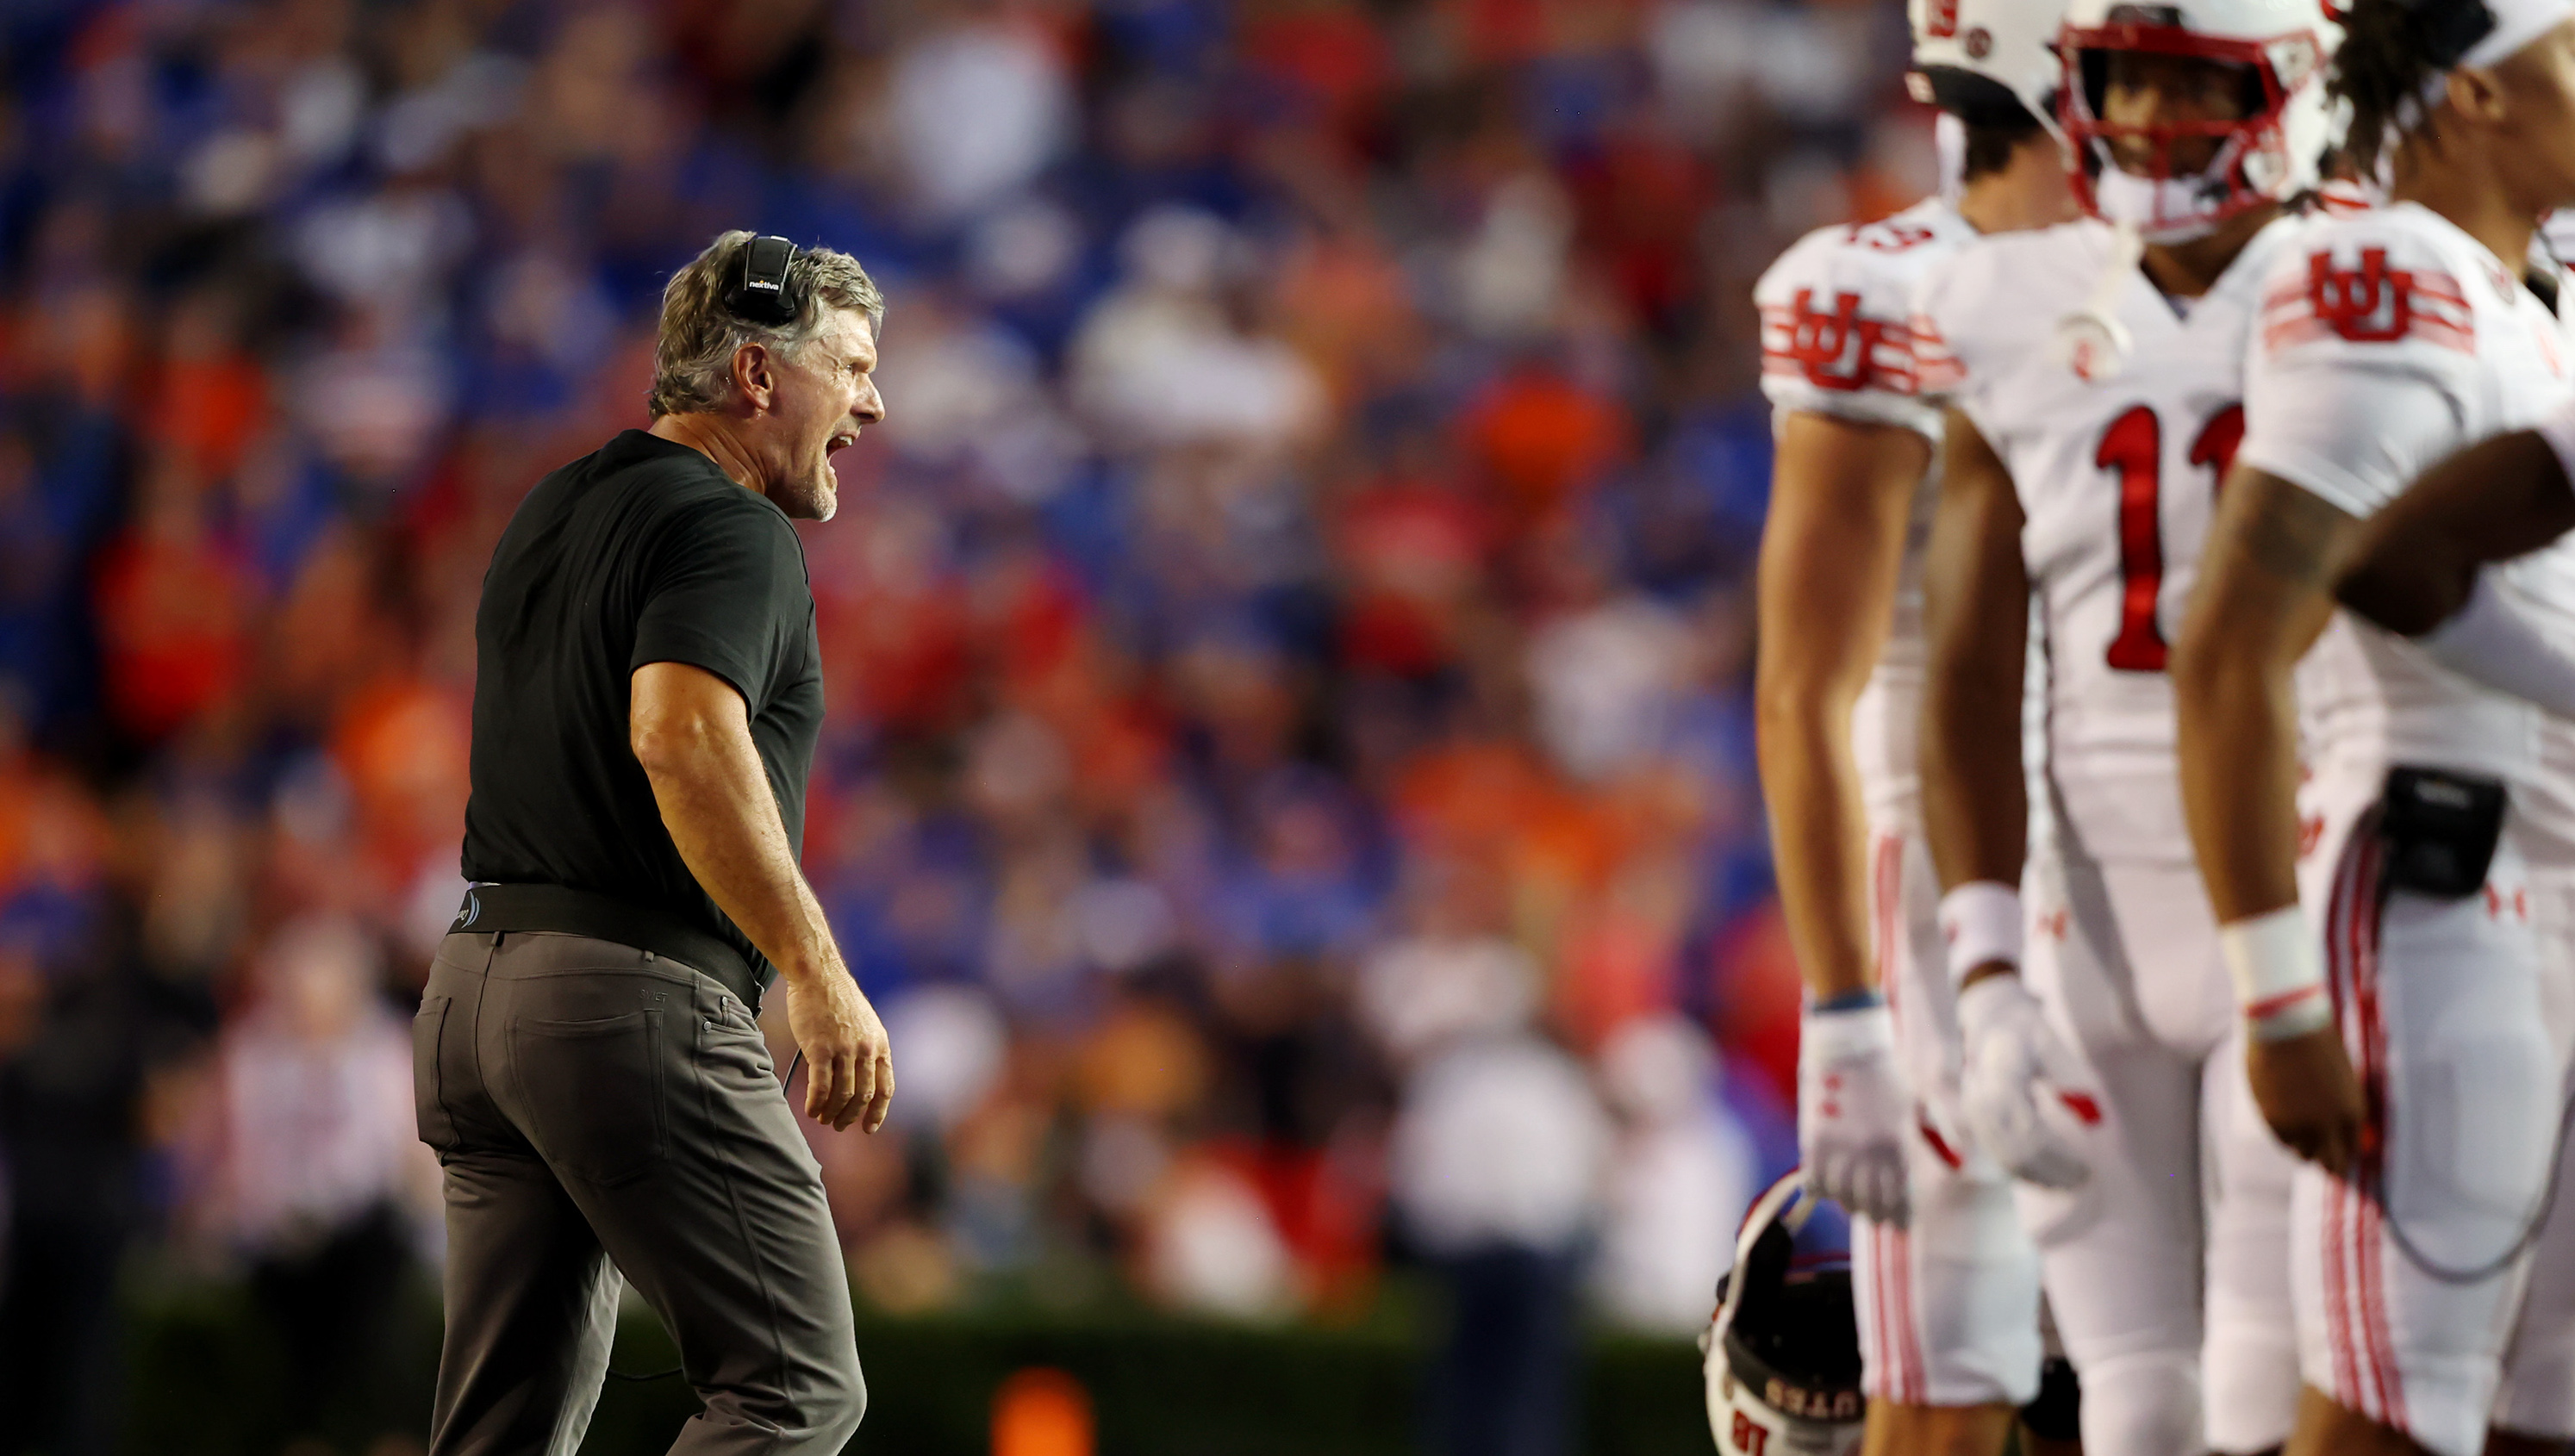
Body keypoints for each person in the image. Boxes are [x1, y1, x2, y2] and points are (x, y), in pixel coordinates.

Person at [1911, 0, 2339, 1450]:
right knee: (2132, 1401)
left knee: (2265, 1395)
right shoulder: (2008, 299)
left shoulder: (2364, 285)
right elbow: (1964, 663)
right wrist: (1978, 970)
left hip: (2295, 890)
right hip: (2084, 921)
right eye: (2122, 77)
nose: (2149, 116)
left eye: (2188, 78)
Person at [2168, 0, 2575, 1447]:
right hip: (2435, 889)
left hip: (2535, 902)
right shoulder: (2390, 265)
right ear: (2471, 96)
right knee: (2389, 1421)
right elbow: (2235, 646)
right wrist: (2280, 995)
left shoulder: (2522, 302)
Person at [415, 230, 895, 1456]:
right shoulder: (735, 528)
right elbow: (679, 735)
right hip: (623, 1000)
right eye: (848, 366)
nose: (872, 403)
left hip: (475, 989)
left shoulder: (556, 505)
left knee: (501, 1434)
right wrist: (816, 970)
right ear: (755, 375)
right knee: (794, 1387)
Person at [1749, 0, 2082, 1447]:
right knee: (1947, 1381)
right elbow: (1807, 685)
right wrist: (1842, 1011)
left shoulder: (2214, 274)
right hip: (1958, 859)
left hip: (2175, 837)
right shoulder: (1891, 291)